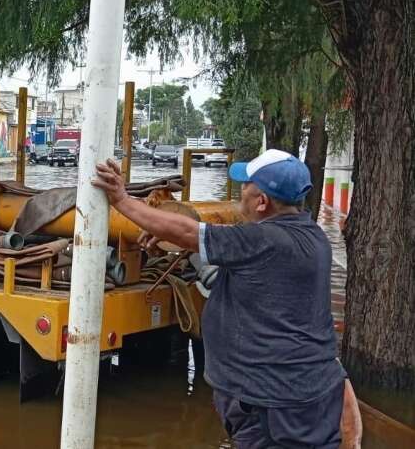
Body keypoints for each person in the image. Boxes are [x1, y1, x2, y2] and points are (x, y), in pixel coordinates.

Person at [92, 149, 350, 448]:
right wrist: (177, 239)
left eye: (245, 188)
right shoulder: (313, 237)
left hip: (274, 405)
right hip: (309, 395)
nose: (239, 195)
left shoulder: (262, 241)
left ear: (262, 202)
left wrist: (122, 200)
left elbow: (191, 232)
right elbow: (225, 244)